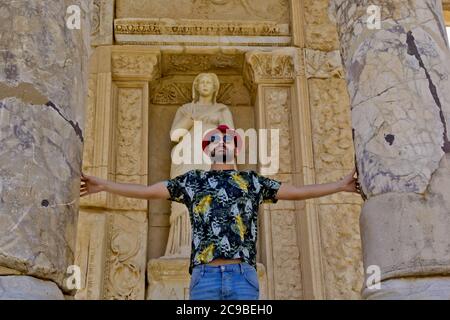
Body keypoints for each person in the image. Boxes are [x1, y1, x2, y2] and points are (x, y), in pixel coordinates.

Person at [80, 124, 360, 300]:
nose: (222, 142)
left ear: (236, 148)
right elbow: (148, 191)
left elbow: (297, 192)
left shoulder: (252, 182)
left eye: (228, 139)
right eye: (216, 139)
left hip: (242, 275)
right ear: (208, 149)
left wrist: (340, 186)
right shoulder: (193, 181)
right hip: (205, 276)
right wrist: (103, 185)